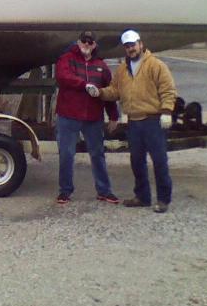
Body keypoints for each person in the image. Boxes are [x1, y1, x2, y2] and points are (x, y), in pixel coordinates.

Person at [87, 29, 176, 213]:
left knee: (159, 161)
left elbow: (168, 90)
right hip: (134, 122)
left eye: (133, 45)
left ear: (141, 44)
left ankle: (163, 200)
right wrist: (100, 93)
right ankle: (142, 197)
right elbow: (115, 91)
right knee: (137, 162)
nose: (130, 49)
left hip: (153, 121)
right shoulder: (122, 70)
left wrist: (167, 111)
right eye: (127, 46)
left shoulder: (156, 65)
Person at [54, 30, 120, 206]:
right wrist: (85, 85)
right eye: (84, 41)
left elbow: (108, 92)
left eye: (90, 42)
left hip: (93, 118)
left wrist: (113, 115)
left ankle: (104, 191)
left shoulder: (102, 66)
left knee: (98, 154)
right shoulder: (66, 59)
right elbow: (62, 77)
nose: (86, 45)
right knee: (67, 154)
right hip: (68, 116)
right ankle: (65, 191)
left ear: (95, 46)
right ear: (78, 42)